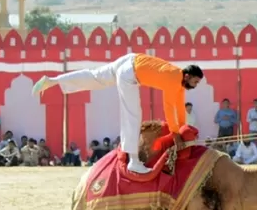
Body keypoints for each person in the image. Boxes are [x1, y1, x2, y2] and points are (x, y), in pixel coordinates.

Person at [32, 54, 203, 173]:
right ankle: (134, 162)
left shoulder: (178, 80)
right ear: (187, 76)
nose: (195, 85)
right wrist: (175, 133)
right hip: (130, 73)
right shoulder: (173, 79)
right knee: (133, 114)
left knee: (95, 77)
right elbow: (168, 106)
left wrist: (182, 128)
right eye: (195, 81)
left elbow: (179, 107)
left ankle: (53, 81)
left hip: (130, 59)